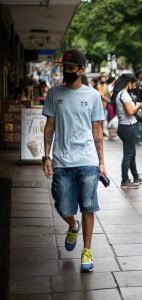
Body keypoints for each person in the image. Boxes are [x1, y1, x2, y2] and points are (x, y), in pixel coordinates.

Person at [42, 49, 105, 273]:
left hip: (87, 159)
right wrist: (46, 156)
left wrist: (102, 163)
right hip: (61, 160)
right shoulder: (54, 94)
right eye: (64, 68)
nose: (66, 72)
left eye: (70, 68)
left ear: (81, 70)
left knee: (88, 206)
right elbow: (49, 127)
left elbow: (98, 131)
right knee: (61, 204)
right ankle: (72, 225)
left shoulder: (93, 96)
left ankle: (86, 251)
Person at [112, 73, 142, 189]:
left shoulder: (120, 94)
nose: (134, 85)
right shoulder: (124, 95)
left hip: (125, 126)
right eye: (133, 83)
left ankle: (135, 176)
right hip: (128, 127)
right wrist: (139, 105)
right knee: (128, 155)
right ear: (128, 83)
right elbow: (130, 112)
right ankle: (125, 180)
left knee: (131, 153)